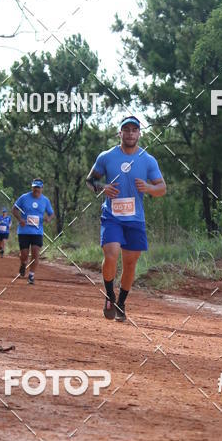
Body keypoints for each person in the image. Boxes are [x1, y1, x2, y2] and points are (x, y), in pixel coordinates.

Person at [86, 116, 166, 322]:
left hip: (135, 219)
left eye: (134, 130)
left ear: (139, 134)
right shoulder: (106, 157)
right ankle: (109, 296)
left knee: (130, 264)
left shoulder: (148, 160)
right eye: (126, 129)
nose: (130, 133)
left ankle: (121, 303)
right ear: (119, 133)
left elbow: (162, 188)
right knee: (111, 254)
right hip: (111, 216)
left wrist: (148, 188)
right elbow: (90, 180)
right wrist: (102, 187)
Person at [11, 179, 54, 285]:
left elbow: (51, 213)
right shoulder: (24, 197)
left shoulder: (45, 200)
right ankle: (23, 263)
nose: (36, 189)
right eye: (35, 187)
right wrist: (20, 219)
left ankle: (31, 275)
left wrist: (48, 219)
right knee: (24, 254)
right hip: (24, 231)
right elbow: (14, 209)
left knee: (35, 254)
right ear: (32, 187)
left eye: (38, 187)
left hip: (37, 232)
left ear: (42, 188)